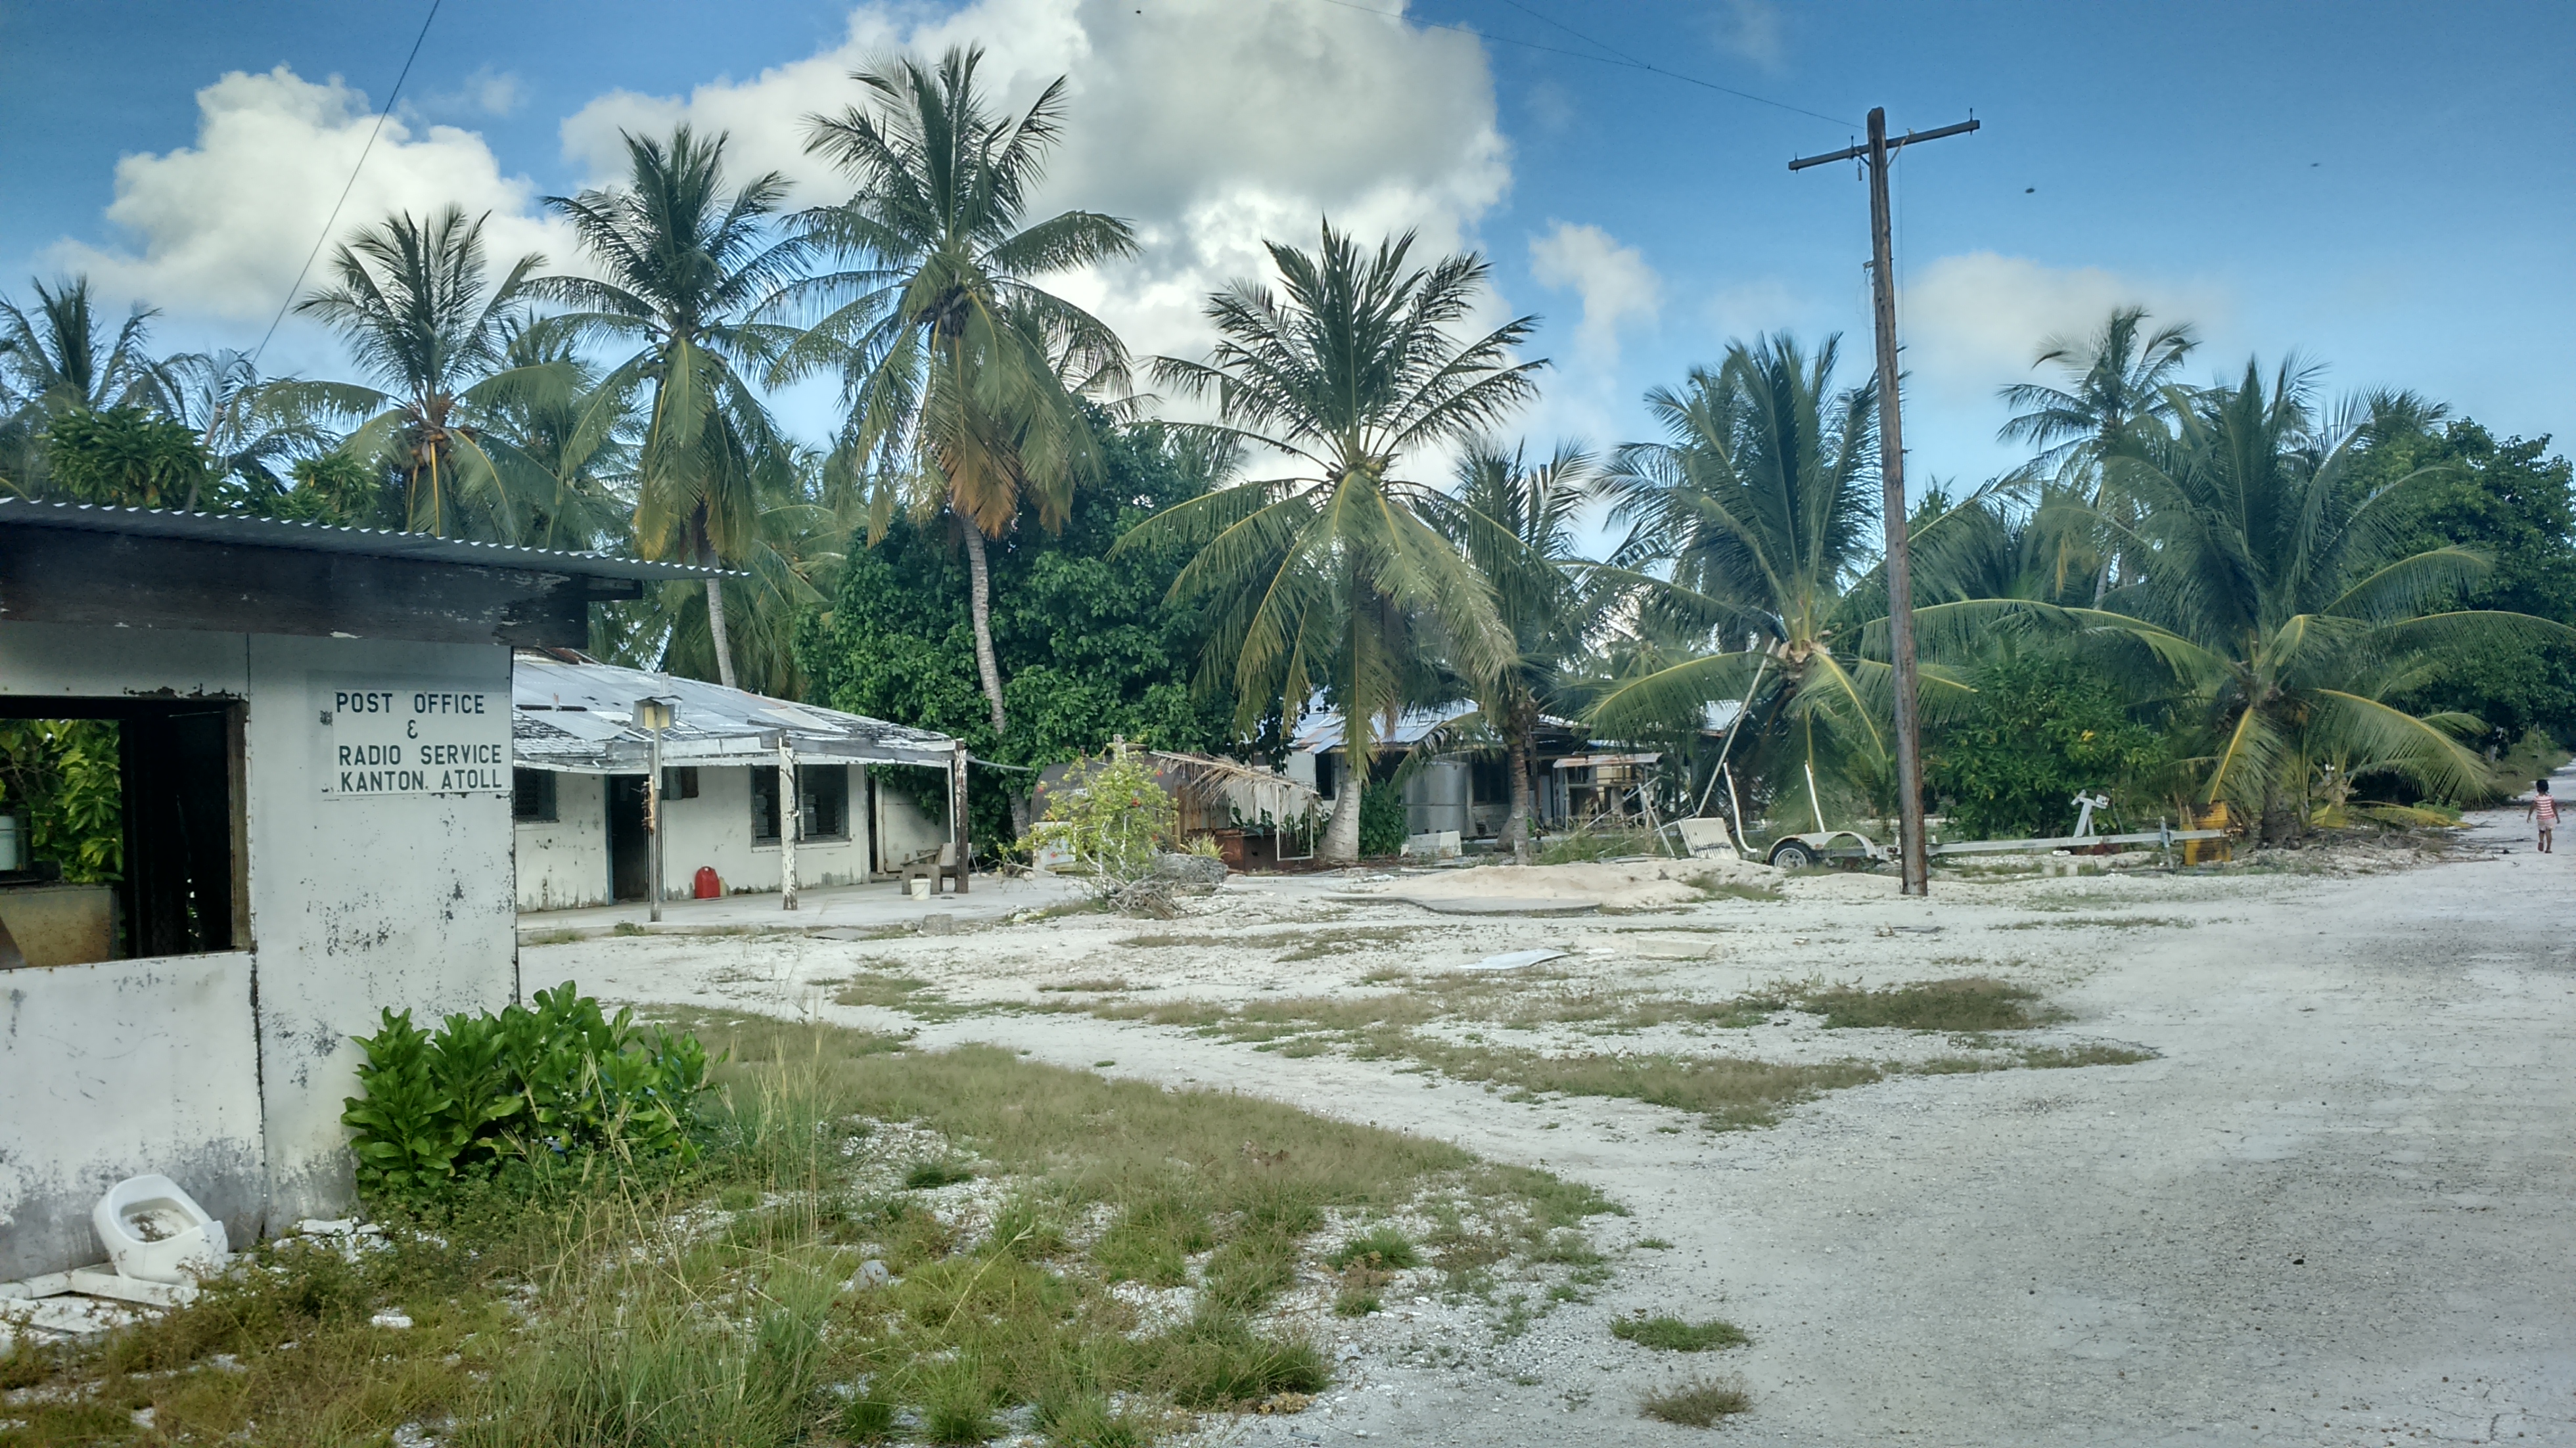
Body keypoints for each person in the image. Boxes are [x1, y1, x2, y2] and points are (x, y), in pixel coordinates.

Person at [2527, 779, 2557, 853]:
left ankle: (2541, 841)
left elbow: (2532, 807)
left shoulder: (2537, 798)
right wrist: (2557, 817)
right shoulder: (2550, 797)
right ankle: (2548, 848)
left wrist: (2529, 816)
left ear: (2538, 788)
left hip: (2541, 817)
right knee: (2548, 832)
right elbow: (2553, 807)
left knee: (2541, 831)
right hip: (2550, 817)